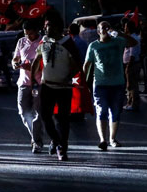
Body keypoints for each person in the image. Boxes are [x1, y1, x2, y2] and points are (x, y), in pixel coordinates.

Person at [32, 15, 82, 161]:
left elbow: (76, 63)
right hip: (47, 86)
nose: (45, 28)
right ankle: (56, 140)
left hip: (64, 88)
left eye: (48, 25)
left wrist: (68, 76)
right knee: (46, 116)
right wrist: (33, 80)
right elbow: (37, 60)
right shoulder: (44, 41)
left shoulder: (68, 43)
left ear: (56, 27)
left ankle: (62, 148)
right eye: (45, 25)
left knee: (63, 119)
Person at [83, 20, 138, 150]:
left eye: (108, 27)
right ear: (98, 31)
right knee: (101, 111)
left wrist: (121, 34)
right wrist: (84, 83)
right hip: (100, 84)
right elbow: (87, 64)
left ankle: (112, 138)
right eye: (103, 28)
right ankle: (103, 139)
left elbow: (134, 43)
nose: (106, 29)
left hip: (117, 83)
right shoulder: (93, 46)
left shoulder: (118, 41)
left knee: (115, 112)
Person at [12, 19, 44, 153]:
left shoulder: (43, 43)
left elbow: (44, 63)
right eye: (26, 34)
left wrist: (31, 66)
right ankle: (35, 136)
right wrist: (15, 63)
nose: (28, 37)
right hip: (23, 83)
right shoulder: (21, 42)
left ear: (37, 31)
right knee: (23, 112)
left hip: (38, 83)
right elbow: (16, 58)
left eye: (30, 34)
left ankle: (36, 142)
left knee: (37, 113)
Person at [122, 20, 142, 111]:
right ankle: (130, 103)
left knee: (132, 85)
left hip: (132, 64)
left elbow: (132, 55)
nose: (124, 28)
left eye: (125, 27)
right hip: (130, 64)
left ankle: (134, 104)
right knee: (130, 85)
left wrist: (128, 66)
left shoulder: (134, 39)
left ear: (129, 28)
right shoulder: (130, 38)